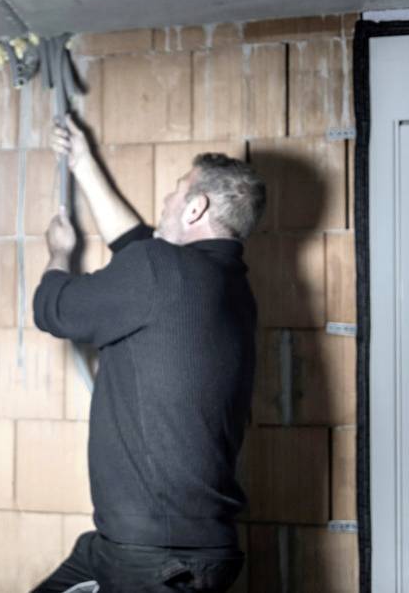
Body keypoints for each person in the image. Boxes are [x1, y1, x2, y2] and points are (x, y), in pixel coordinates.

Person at [31, 115, 266, 593]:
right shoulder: (230, 288)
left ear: (196, 208)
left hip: (157, 560)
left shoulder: (163, 272)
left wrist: (58, 253)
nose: (166, 200)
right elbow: (138, 246)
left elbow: (54, 310)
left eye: (177, 192)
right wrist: (82, 162)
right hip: (151, 547)